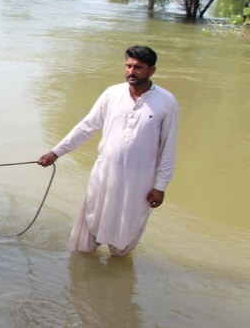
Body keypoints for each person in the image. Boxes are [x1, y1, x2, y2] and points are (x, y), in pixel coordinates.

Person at [38, 46, 178, 256]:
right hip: (105, 172)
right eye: (129, 66)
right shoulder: (112, 93)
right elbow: (87, 127)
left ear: (151, 70)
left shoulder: (166, 101)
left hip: (140, 180)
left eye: (138, 67)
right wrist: (56, 152)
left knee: (126, 231)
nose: (132, 71)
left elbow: (168, 147)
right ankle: (82, 275)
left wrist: (160, 186)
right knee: (89, 227)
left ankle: (116, 271)